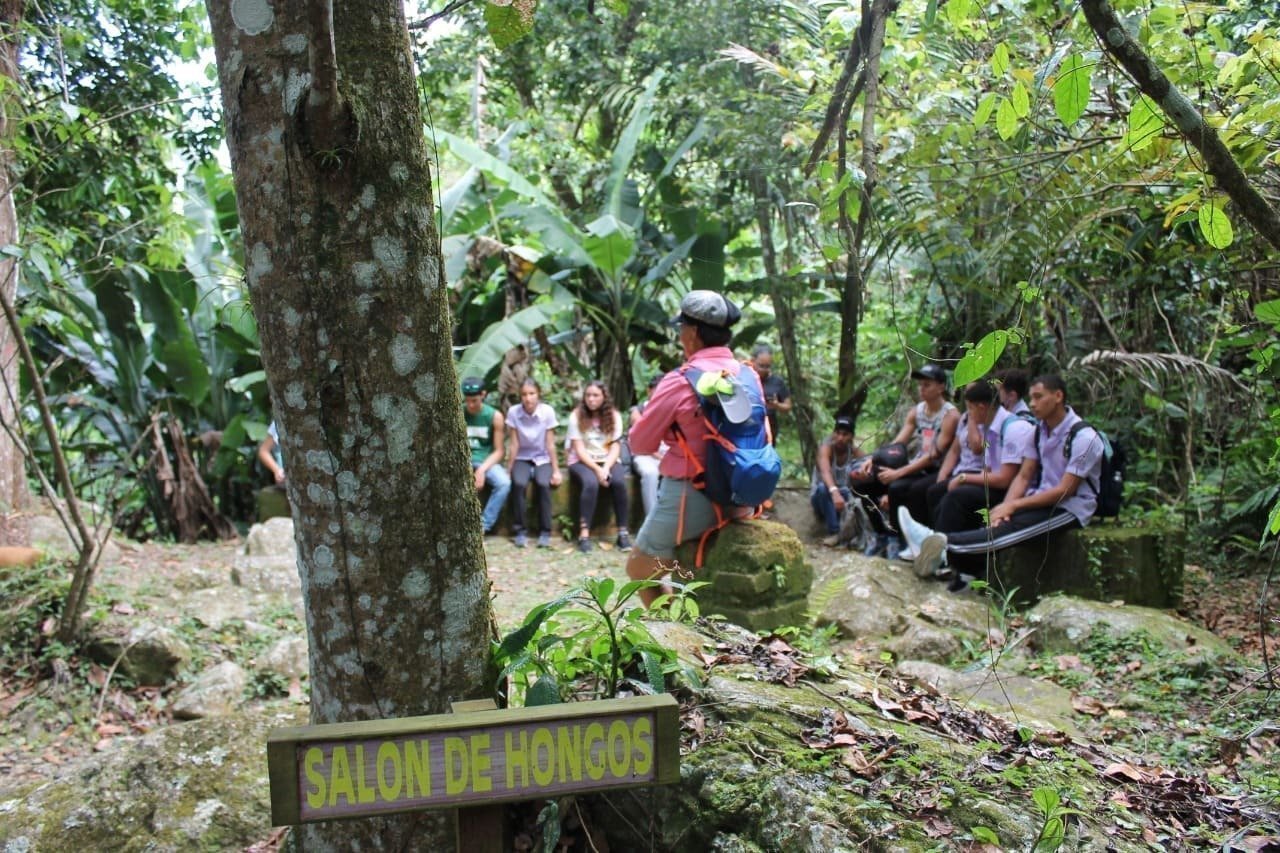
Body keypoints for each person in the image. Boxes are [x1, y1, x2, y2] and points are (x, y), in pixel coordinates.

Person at [900, 374, 1105, 592]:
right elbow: (1024, 476)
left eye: (1038, 397)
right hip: (1038, 497)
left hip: (1069, 508)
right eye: (1031, 398)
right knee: (997, 521)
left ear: (1058, 396)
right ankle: (959, 570)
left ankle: (938, 544)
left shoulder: (1084, 438)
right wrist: (1004, 508)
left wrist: (1013, 506)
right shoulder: (1039, 431)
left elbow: (1065, 490)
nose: (1033, 403)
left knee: (1009, 530)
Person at [627, 290, 759, 607]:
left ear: (693, 333)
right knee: (688, 575)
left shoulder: (680, 381)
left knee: (639, 570)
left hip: (692, 497)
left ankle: (675, 634)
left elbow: (640, 443)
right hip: (744, 495)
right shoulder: (750, 375)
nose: (680, 334)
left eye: (681, 327)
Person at [913, 379, 1036, 551]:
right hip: (996, 484)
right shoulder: (990, 426)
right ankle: (931, 541)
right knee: (937, 491)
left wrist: (963, 478)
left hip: (1012, 491)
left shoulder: (1014, 428)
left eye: (970, 409)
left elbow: (1005, 479)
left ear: (981, 407)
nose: (969, 414)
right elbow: (989, 469)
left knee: (956, 497)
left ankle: (942, 551)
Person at [854, 363, 959, 558]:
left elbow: (934, 455)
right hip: (915, 465)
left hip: (937, 469)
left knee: (898, 488)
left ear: (941, 387)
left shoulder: (950, 415)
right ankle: (881, 534)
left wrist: (898, 473)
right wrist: (874, 460)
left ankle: (901, 538)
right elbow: (898, 443)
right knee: (862, 482)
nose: (922, 389)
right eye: (920, 385)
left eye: (927, 385)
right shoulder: (916, 411)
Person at [567, 380, 631, 553]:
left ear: (604, 397)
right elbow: (579, 450)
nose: (591, 399)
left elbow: (616, 446)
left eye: (596, 395)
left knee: (618, 483)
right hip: (582, 461)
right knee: (591, 483)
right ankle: (584, 534)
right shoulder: (576, 416)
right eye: (588, 395)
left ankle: (623, 534)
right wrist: (597, 470)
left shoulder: (614, 416)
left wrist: (606, 468)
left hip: (607, 460)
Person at [505, 378, 562, 548]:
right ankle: (520, 531)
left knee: (543, 484)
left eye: (532, 394)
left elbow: (550, 444)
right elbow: (514, 444)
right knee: (518, 483)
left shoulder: (547, 412)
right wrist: (509, 468)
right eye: (524, 394)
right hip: (522, 457)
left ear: (538, 395)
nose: (528, 398)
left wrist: (556, 470)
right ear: (520, 396)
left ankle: (545, 532)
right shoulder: (514, 412)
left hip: (542, 457)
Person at [461, 376, 511, 535]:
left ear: (483, 394)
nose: (470, 405)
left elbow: (499, 451)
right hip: (462, 460)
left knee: (504, 483)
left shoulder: (494, 416)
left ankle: (483, 526)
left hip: (485, 461)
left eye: (474, 400)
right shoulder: (457, 413)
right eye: (467, 400)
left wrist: (481, 470)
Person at [810, 415, 869, 546]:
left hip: (844, 498)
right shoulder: (826, 449)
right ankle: (835, 532)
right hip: (823, 496)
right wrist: (834, 491)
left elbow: (868, 464)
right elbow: (825, 471)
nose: (840, 438)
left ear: (852, 437)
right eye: (838, 433)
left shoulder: (854, 452)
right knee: (822, 489)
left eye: (845, 434)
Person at [629, 375, 666, 517]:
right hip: (645, 454)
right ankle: (651, 519)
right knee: (650, 473)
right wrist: (663, 458)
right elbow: (643, 442)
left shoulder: (674, 409)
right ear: (649, 391)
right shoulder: (638, 412)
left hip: (667, 455)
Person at [751, 343, 791, 444]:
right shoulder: (745, 378)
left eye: (768, 366)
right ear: (752, 361)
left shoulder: (777, 381)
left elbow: (788, 406)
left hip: (770, 426)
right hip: (749, 425)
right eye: (761, 366)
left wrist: (776, 405)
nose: (764, 370)